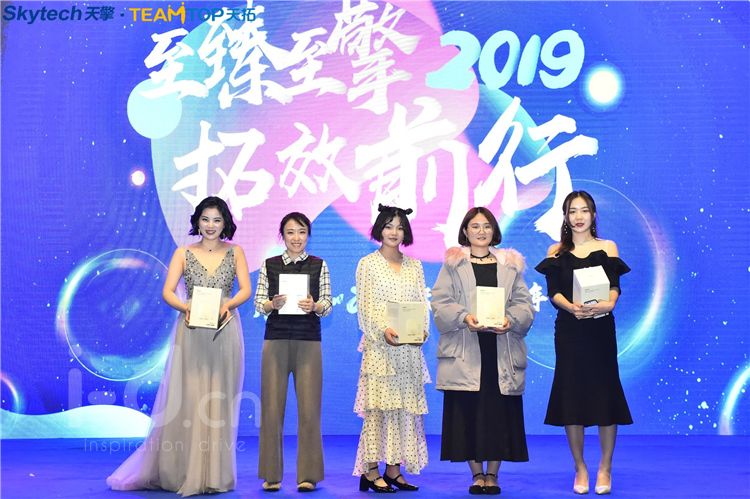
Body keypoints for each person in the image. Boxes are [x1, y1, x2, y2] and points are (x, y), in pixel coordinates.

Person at [107, 196, 251, 496]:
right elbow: (168, 292)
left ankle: (214, 474)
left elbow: (245, 290)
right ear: (197, 221)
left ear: (225, 223)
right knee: (189, 399)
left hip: (225, 329)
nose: (210, 225)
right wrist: (185, 307)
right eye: (205, 219)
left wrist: (228, 305)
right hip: (191, 329)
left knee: (219, 401)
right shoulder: (183, 253)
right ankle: (183, 471)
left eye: (217, 220)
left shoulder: (236, 252)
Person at [535, 190, 632, 495]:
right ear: (565, 216)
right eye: (572, 211)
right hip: (570, 330)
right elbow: (553, 291)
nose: (578, 217)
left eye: (584, 210)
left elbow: (614, 285)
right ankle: (580, 467)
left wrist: (609, 303)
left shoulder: (607, 247)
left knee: (606, 394)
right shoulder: (555, 251)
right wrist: (572, 308)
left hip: (600, 330)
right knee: (571, 395)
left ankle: (605, 467)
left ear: (593, 215)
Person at [431, 207, 534, 496]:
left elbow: (524, 305)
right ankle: (477, 474)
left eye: (486, 226)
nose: (481, 231)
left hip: (501, 349)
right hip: (466, 349)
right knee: (469, 413)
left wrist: (510, 320)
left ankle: (493, 474)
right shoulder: (453, 264)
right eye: (475, 226)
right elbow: (440, 302)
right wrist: (464, 317)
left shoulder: (510, 265)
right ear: (465, 230)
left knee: (498, 414)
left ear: (494, 231)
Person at [353, 205, 431, 493]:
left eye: (399, 227)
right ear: (379, 229)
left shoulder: (415, 266)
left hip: (408, 351)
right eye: (388, 226)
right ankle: (371, 470)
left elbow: (421, 304)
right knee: (378, 411)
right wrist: (382, 330)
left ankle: (394, 471)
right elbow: (365, 308)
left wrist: (422, 331)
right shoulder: (367, 264)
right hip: (381, 350)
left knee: (404, 411)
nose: (394, 232)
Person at [254, 212, 332, 493]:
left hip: (308, 341)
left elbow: (328, 304)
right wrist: (271, 304)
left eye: (301, 232)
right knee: (271, 409)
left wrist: (316, 306)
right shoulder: (269, 265)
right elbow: (258, 303)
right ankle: (271, 475)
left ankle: (308, 475)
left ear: (308, 235)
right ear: (282, 236)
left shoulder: (319, 265)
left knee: (310, 409)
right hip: (275, 340)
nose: (296, 238)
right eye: (290, 232)